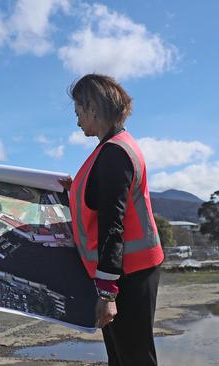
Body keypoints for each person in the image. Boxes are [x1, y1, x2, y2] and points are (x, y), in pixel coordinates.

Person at [59, 74, 164, 366]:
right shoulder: (112, 146)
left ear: (93, 107)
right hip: (128, 272)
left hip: (129, 274)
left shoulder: (114, 153)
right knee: (122, 358)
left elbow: (112, 226)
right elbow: (102, 198)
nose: (77, 119)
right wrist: (75, 189)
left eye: (78, 110)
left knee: (133, 358)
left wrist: (107, 293)